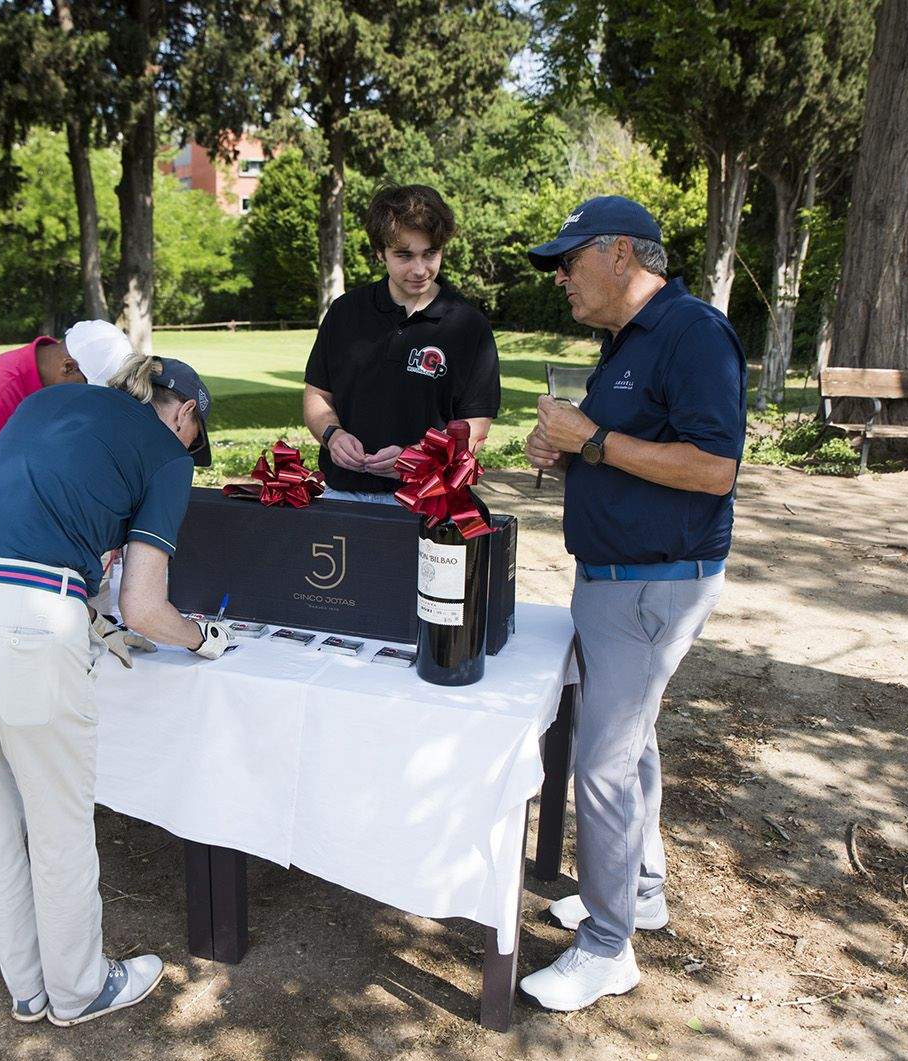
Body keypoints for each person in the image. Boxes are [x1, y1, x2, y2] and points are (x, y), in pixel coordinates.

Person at [0, 351, 235, 1027]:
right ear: (186, 415)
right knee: (58, 823)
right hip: (24, 622)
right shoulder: (167, 457)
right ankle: (81, 990)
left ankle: (28, 989)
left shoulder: (46, 403)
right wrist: (203, 637)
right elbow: (144, 607)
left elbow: (27, 517)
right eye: (195, 438)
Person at [517, 196, 745, 1011]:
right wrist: (568, 451)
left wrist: (595, 442)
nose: (561, 281)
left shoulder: (692, 333)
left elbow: (715, 468)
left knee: (604, 761)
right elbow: (620, 450)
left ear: (619, 255)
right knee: (632, 742)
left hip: (653, 583)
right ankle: (641, 891)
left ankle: (609, 948)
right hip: (616, 578)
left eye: (568, 262)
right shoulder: (626, 342)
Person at [302, 184, 501, 503]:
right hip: (340, 494)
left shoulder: (468, 326)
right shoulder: (345, 312)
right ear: (380, 252)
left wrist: (416, 458)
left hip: (426, 498)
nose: (420, 269)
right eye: (404, 255)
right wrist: (332, 434)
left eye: (430, 253)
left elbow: (475, 426)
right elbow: (318, 395)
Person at [0, 321, 133, 550]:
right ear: (68, 367)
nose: (90, 402)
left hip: (12, 497)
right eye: (89, 389)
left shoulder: (56, 381)